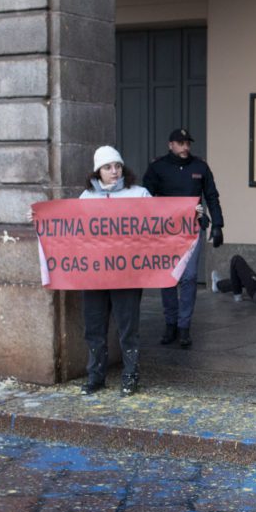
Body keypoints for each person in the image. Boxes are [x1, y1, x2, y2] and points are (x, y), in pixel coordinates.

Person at [143, 128, 224, 349]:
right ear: (170, 145)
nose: (185, 147)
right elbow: (144, 198)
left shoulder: (200, 167)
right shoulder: (158, 167)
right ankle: (170, 324)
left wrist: (218, 225)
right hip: (165, 230)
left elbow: (212, 196)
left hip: (192, 228)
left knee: (189, 277)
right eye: (180, 143)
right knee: (168, 277)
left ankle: (184, 326)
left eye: (187, 143)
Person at [80, 146, 151, 396]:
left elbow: (162, 220)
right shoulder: (86, 197)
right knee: (94, 327)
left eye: (118, 166)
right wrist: (40, 219)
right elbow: (69, 229)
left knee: (127, 327)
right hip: (95, 275)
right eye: (108, 167)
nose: (114, 171)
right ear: (97, 171)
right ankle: (95, 376)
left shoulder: (139, 193)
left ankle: (130, 375)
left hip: (127, 274)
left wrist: (189, 213)